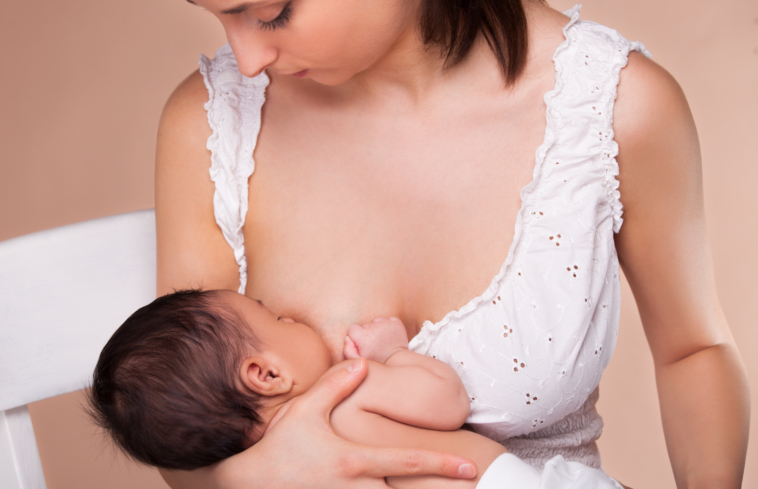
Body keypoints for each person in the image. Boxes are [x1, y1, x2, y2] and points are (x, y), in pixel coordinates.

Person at [155, 0, 750, 487]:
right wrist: (255, 478)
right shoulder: (212, 123)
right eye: (218, 15)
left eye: (273, 12)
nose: (248, 58)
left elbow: (691, 351)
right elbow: (177, 419)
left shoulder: (613, 108)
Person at [89, 288, 626, 488]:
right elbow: (447, 402)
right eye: (275, 317)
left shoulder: (289, 475)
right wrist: (392, 353)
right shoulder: (344, 393)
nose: (293, 317)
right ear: (266, 374)